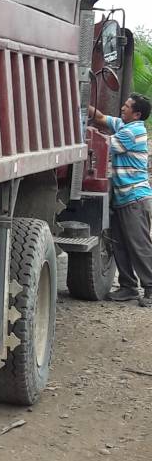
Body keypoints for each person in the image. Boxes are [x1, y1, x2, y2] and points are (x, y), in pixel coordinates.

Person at [88, 93, 152, 307]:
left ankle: (150, 289)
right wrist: (81, 102)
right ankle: (128, 287)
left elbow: (102, 144)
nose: (122, 108)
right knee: (120, 245)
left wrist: (85, 133)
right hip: (124, 198)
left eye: (126, 106)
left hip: (134, 198)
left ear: (137, 114)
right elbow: (101, 118)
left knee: (139, 246)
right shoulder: (125, 125)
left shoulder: (133, 132)